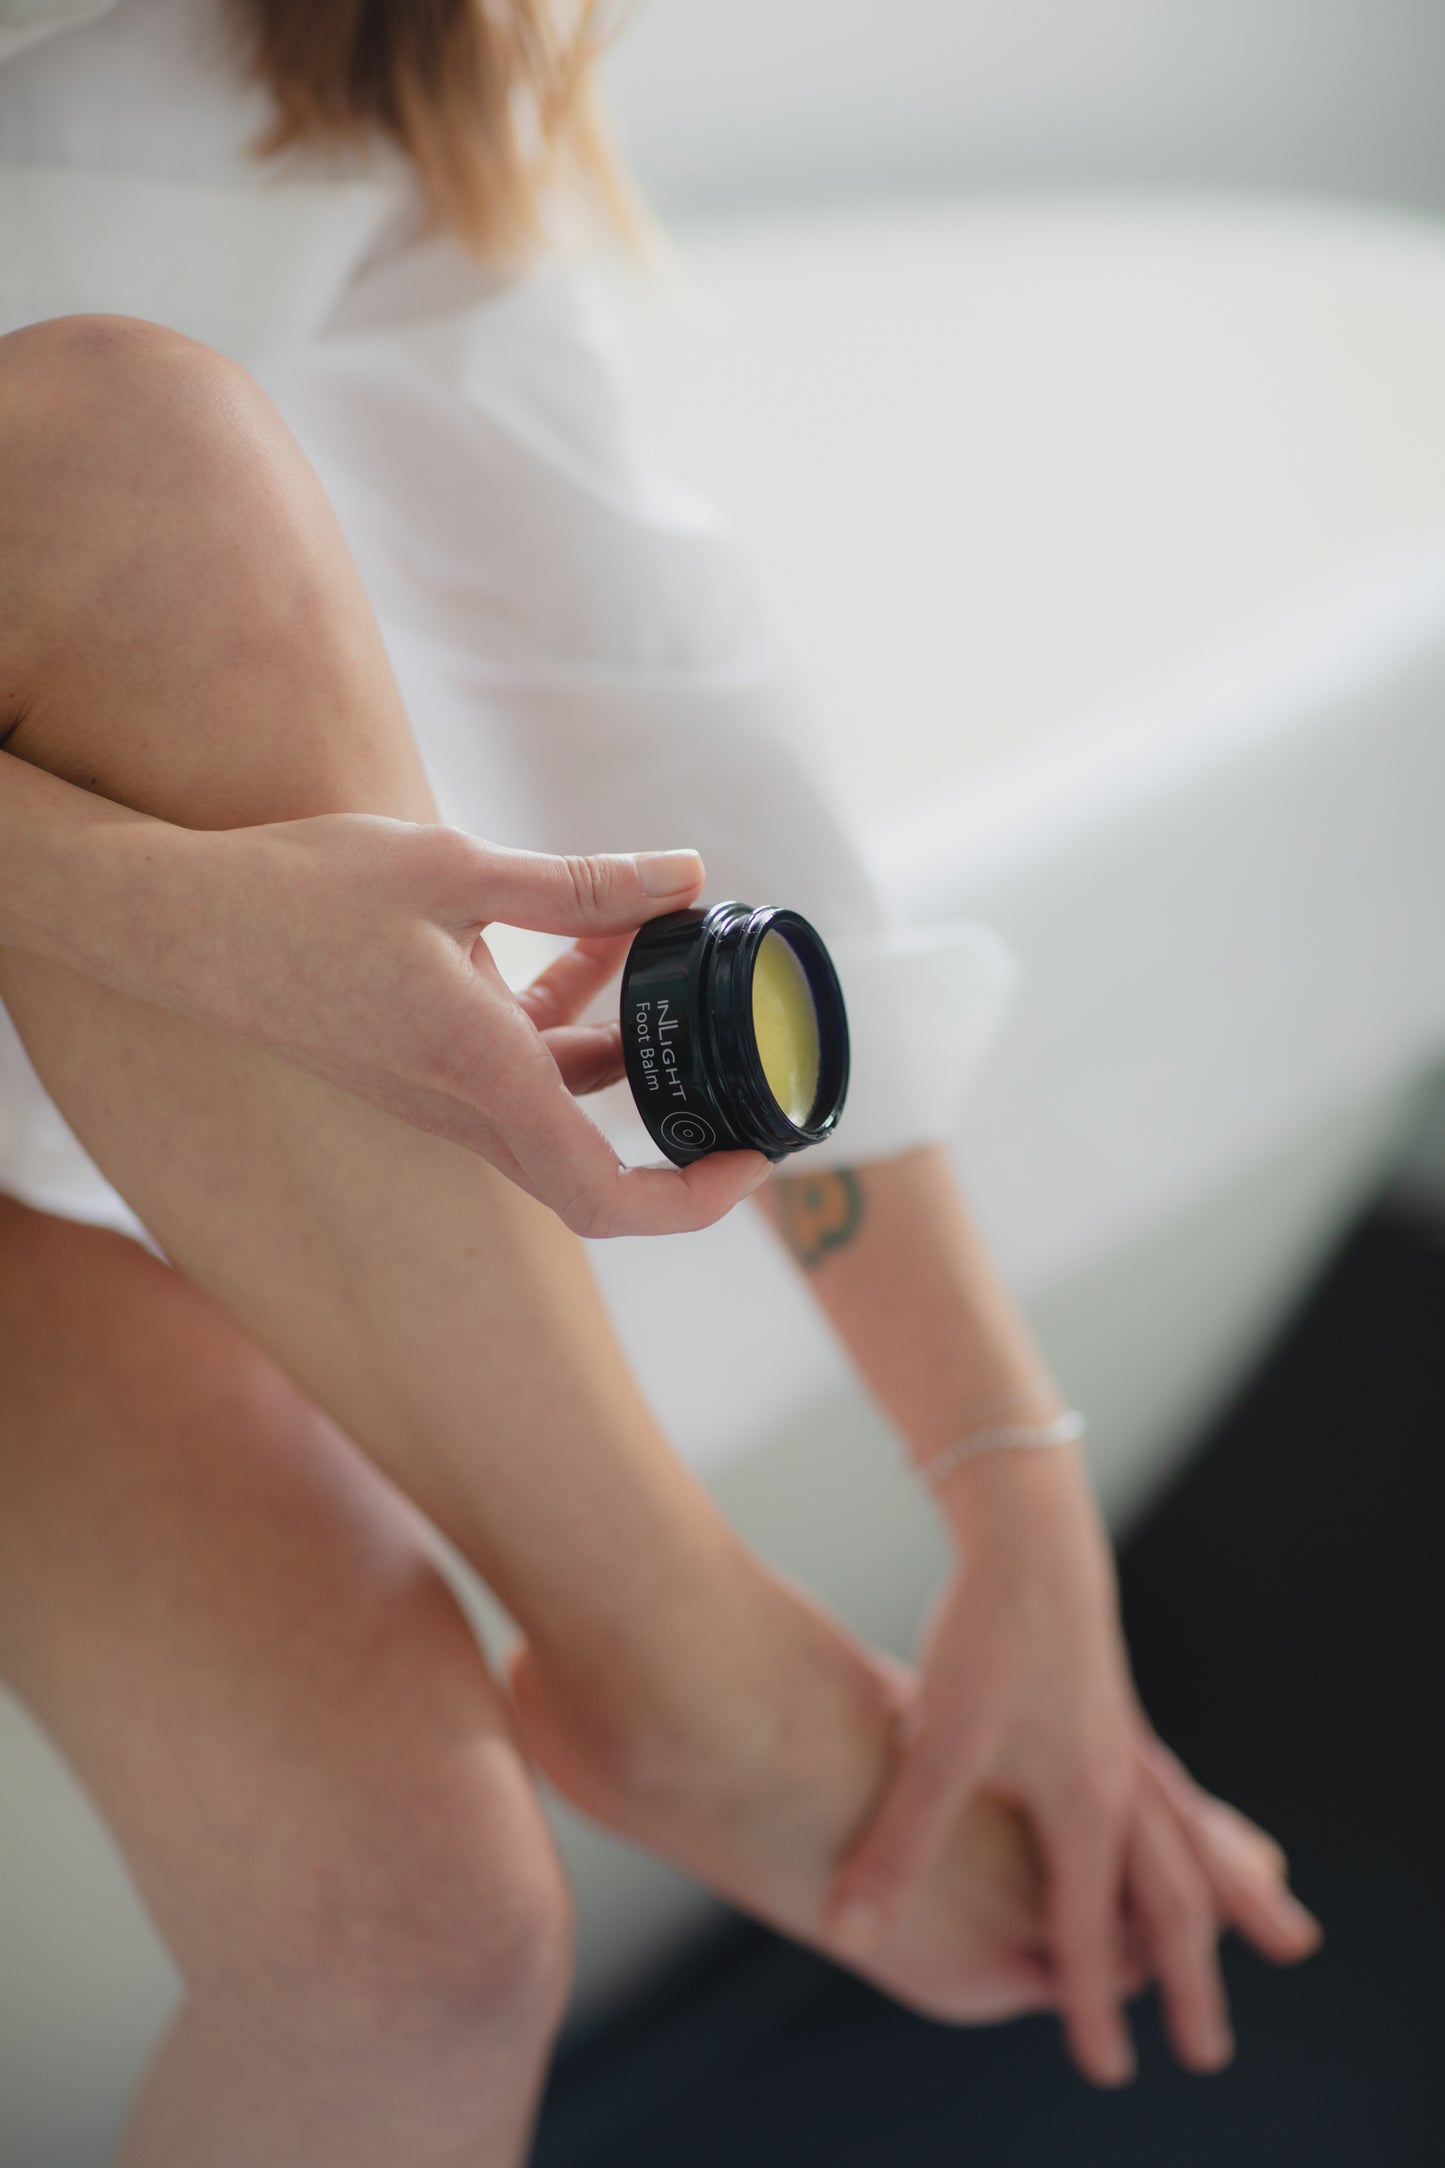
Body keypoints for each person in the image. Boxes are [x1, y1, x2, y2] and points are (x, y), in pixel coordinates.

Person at [0, 2, 1320, 2160]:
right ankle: (683, 1655)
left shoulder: (347, 38)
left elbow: (645, 692)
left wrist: (1011, 1476)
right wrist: (140, 906)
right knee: (133, 468)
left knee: (415, 1935)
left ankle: (675, 1663)